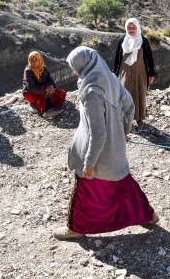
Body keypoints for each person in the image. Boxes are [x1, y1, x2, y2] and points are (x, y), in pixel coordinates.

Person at [55, 46, 159, 240]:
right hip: (115, 148)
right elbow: (130, 105)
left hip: (97, 152)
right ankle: (149, 215)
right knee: (122, 182)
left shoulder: (91, 92)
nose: (73, 71)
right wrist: (123, 132)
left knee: (83, 191)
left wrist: (89, 162)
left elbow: (98, 132)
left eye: (74, 67)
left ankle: (75, 227)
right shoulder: (110, 78)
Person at [113, 17, 155, 126]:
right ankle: (125, 119)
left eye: (133, 27)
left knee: (139, 93)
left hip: (140, 73)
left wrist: (151, 74)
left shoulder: (143, 41)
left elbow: (149, 58)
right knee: (124, 95)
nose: (131, 30)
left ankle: (139, 118)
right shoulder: (122, 40)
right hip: (124, 72)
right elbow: (117, 58)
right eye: (129, 27)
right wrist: (114, 73)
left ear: (138, 28)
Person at [23, 51, 66, 118]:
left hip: (42, 89)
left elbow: (50, 79)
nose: (34, 62)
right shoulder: (28, 71)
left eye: (36, 60)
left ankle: (46, 103)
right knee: (46, 90)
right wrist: (45, 89)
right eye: (32, 60)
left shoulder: (44, 68)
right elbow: (32, 88)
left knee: (57, 93)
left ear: (40, 60)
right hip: (30, 93)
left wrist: (52, 86)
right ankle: (47, 110)